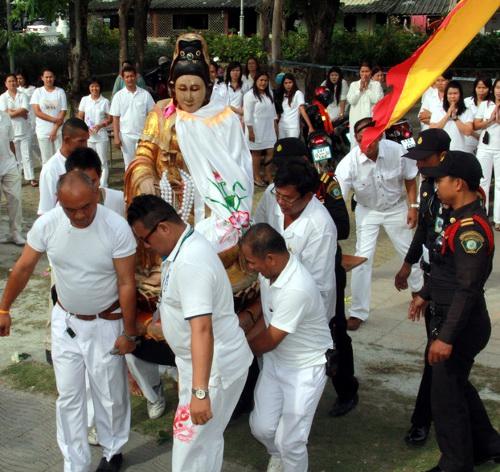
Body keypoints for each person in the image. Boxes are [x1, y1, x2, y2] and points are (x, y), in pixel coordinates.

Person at [0, 171, 138, 472]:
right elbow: (23, 268)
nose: (79, 215)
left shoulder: (116, 228)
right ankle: (74, 463)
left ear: (96, 193)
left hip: (106, 322)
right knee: (69, 396)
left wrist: (130, 332)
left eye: (85, 207)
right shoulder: (48, 224)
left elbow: (127, 283)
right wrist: (4, 308)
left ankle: (113, 449)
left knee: (109, 394)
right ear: (58, 202)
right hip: (66, 322)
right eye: (70, 209)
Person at [124, 33, 254, 312]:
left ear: (208, 86)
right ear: (172, 86)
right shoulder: (160, 114)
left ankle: (200, 272)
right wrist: (145, 177)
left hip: (210, 204)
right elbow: (144, 153)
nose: (188, 96)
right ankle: (163, 264)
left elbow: (236, 169)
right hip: (166, 200)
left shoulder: (223, 118)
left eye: (195, 88)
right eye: (182, 88)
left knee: (221, 245)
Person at [127, 194, 253, 472]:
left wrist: (199, 392)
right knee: (204, 444)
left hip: (212, 370)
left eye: (145, 238)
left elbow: (202, 329)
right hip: (202, 366)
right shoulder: (181, 249)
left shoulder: (191, 261)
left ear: (163, 228)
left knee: (189, 450)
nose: (144, 246)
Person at [409, 151, 500, 472]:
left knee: (445, 400)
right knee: (455, 386)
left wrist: (446, 337)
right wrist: (425, 293)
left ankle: (456, 464)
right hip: (451, 317)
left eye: (439, 180)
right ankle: (487, 444)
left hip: (460, 324)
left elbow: (467, 288)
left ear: (458, 183)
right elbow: (446, 270)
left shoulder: (470, 230)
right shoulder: (457, 217)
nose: (434, 187)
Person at [270, 138, 358, 416]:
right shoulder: (280, 192)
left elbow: (341, 226)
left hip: (325, 269)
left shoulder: (322, 188)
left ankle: (346, 389)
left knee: (334, 332)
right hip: (284, 282)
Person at [240, 223, 333, 472]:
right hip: (276, 362)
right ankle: (278, 455)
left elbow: (270, 339)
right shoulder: (269, 272)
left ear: (269, 258)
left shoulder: (297, 287)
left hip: (305, 368)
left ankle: (289, 459)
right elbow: (268, 309)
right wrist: (249, 321)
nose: (249, 267)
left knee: (291, 440)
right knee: (261, 427)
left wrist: (236, 349)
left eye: (251, 261)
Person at [335, 118, 423, 330]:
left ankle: (420, 291)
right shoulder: (349, 162)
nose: (365, 146)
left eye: (370, 141)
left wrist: (413, 206)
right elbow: (338, 196)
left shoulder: (397, 151)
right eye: (360, 141)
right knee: (362, 258)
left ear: (380, 137)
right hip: (368, 211)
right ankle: (357, 311)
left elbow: (411, 178)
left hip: (396, 207)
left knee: (409, 252)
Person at [394, 128, 451, 446]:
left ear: (442, 156)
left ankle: (423, 421)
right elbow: (426, 231)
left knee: (439, 359)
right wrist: (407, 263)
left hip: (450, 285)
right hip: (433, 278)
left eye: (423, 159)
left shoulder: (457, 187)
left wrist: (428, 291)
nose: (417, 166)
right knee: (442, 361)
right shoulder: (430, 186)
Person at [38, 118, 89, 215]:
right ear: (66, 139)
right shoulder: (51, 169)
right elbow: (45, 211)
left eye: (86, 140)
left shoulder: (87, 161)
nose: (85, 145)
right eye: (81, 141)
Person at [109, 65, 155, 170]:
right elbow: (115, 118)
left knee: (144, 164)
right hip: (126, 136)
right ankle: (130, 186)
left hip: (143, 136)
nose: (130, 79)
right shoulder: (118, 96)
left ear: (136, 77)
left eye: (132, 76)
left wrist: (151, 133)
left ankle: (143, 186)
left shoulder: (145, 94)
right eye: (127, 77)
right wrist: (116, 137)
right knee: (129, 165)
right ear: (123, 78)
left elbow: (152, 114)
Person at [0, 73, 37, 186]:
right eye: (9, 81)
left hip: (24, 129)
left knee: (27, 155)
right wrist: (18, 112)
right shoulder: (2, 97)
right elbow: (4, 113)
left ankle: (30, 178)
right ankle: (17, 179)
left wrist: (12, 111)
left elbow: (25, 109)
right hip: (10, 132)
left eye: (14, 81)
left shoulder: (23, 95)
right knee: (15, 157)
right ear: (6, 84)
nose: (12, 83)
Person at [66, 147, 125, 217]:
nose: (87, 188)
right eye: (81, 183)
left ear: (100, 176)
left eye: (92, 182)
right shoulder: (61, 209)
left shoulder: (120, 200)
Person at [244, 70, 278, 187]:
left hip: (269, 128)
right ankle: (256, 176)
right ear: (256, 81)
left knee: (270, 151)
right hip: (255, 129)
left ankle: (268, 175)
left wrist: (275, 128)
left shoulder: (269, 94)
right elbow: (247, 115)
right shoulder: (249, 95)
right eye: (261, 80)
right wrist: (251, 131)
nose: (263, 83)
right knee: (256, 154)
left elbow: (273, 113)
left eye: (265, 80)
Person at [474, 77, 500, 228]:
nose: (499, 91)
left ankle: (498, 219)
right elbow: (476, 125)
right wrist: (489, 121)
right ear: (493, 89)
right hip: (485, 147)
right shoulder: (485, 104)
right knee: (482, 181)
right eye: (497, 88)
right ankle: (482, 215)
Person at [77, 77, 112, 187]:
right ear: (89, 87)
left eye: (96, 86)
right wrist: (84, 128)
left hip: (101, 136)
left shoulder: (105, 101)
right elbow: (80, 116)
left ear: (100, 87)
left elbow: (110, 118)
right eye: (92, 86)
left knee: (102, 162)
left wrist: (101, 125)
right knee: (89, 161)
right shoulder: (84, 100)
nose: (94, 88)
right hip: (88, 136)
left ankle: (103, 185)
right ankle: (91, 183)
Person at [30, 68, 67, 164]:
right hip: (43, 131)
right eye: (46, 77)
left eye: (50, 77)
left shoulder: (60, 91)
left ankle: (61, 179)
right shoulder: (37, 92)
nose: (48, 79)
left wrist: (55, 129)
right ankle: (48, 179)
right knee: (47, 160)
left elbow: (63, 111)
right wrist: (54, 120)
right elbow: (37, 112)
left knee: (60, 158)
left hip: (58, 131)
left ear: (54, 78)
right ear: (42, 78)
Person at [0, 110, 25, 246]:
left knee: (15, 199)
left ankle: (15, 233)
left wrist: (15, 161)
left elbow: (10, 141)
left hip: (9, 163)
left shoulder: (4, 116)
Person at [346, 62, 383, 148]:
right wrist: (359, 90)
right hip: (357, 121)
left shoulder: (376, 85)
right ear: (359, 72)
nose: (364, 74)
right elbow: (351, 100)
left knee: (373, 145)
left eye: (367, 71)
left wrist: (367, 89)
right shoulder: (354, 85)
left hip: (372, 120)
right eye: (362, 71)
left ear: (370, 72)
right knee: (356, 145)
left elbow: (378, 100)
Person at [430, 80, 474, 152]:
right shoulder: (438, 109)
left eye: (455, 93)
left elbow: (468, 132)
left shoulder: (467, 111)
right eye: (450, 94)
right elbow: (432, 130)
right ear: (446, 95)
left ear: (460, 94)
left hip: (459, 150)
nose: (453, 96)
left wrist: (455, 118)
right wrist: (447, 115)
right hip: (441, 150)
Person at [276, 73, 314, 139]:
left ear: (294, 82)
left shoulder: (298, 93)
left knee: (292, 147)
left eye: (290, 82)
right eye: (285, 83)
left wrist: (310, 126)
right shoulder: (282, 94)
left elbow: (302, 110)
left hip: (293, 127)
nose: (288, 85)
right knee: (282, 148)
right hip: (281, 126)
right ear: (283, 84)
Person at [464, 76, 492, 154]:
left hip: (487, 142)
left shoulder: (492, 104)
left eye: (484, 87)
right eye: (479, 87)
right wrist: (475, 135)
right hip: (468, 141)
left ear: (489, 89)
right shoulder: (466, 102)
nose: (481, 90)